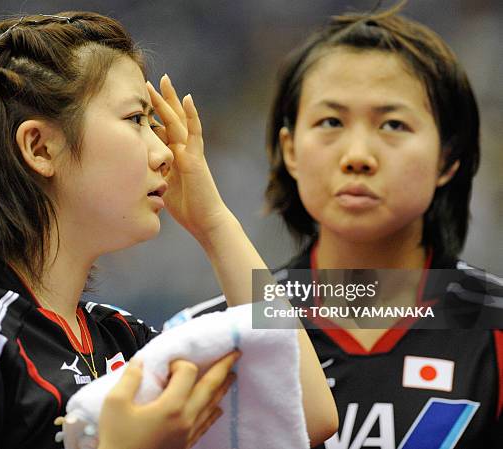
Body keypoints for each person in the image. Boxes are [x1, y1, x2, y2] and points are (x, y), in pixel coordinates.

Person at [0, 11, 337, 449]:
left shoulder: (122, 337)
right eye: (137, 119)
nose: (166, 152)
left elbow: (308, 414)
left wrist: (215, 223)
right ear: (39, 147)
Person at [174, 3, 503, 448]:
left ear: (447, 156)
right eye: (330, 122)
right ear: (289, 149)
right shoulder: (206, 338)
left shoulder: (493, 331)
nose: (357, 155)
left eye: (393, 124)